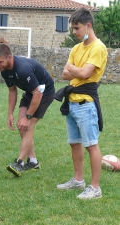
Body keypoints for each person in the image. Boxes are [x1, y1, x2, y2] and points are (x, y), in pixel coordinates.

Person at [55, 8, 107, 199]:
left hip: (86, 103)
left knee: (91, 145)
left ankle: (95, 188)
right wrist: (77, 70)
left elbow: (84, 74)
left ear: (88, 25)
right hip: (72, 103)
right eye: (73, 29)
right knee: (74, 143)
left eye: (76, 28)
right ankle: (78, 180)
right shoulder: (76, 48)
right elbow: (64, 74)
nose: (74, 32)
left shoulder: (98, 47)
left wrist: (73, 69)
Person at [0, 43, 55, 177]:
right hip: (30, 92)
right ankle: (33, 161)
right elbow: (12, 90)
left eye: (0, 62)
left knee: (28, 125)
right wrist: (10, 113)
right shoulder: (4, 71)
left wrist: (27, 117)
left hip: (44, 93)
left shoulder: (22, 69)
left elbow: (38, 93)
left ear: (9, 58)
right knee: (21, 127)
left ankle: (19, 162)